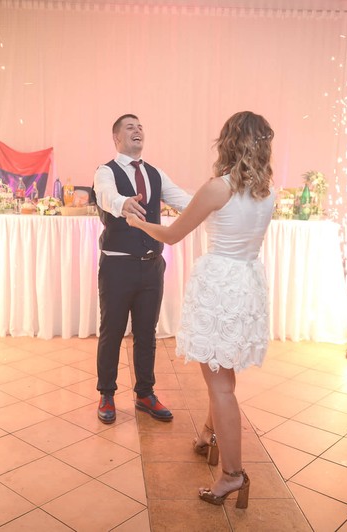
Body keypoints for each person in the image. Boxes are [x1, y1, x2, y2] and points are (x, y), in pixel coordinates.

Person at [126, 111, 276, 509]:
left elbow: (172, 235)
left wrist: (138, 224)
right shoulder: (268, 192)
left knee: (220, 383)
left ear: (228, 142)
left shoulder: (217, 188)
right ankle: (209, 434)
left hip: (220, 286)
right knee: (221, 368)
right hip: (247, 283)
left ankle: (232, 474)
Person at [92, 114, 191, 425]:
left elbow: (185, 201)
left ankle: (145, 393)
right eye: (129, 127)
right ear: (116, 138)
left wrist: (216, 203)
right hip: (117, 265)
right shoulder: (105, 172)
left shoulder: (155, 173)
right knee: (112, 331)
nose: (137, 131)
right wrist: (122, 204)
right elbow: (106, 196)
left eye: (140, 127)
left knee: (147, 333)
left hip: (151, 267)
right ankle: (107, 393)